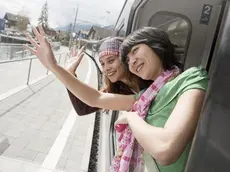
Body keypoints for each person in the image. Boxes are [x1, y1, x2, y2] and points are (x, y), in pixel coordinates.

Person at [24, 26, 208, 172]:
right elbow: (96, 98)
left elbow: (165, 150)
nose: (132, 61)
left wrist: (131, 117)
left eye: (136, 50)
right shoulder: (145, 96)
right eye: (128, 59)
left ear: (157, 46)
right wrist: (54, 66)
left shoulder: (191, 79)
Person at [65, 37, 152, 115]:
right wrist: (70, 74)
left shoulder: (150, 78)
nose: (106, 68)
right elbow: (83, 109)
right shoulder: (117, 90)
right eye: (102, 64)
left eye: (111, 61)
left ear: (125, 59)